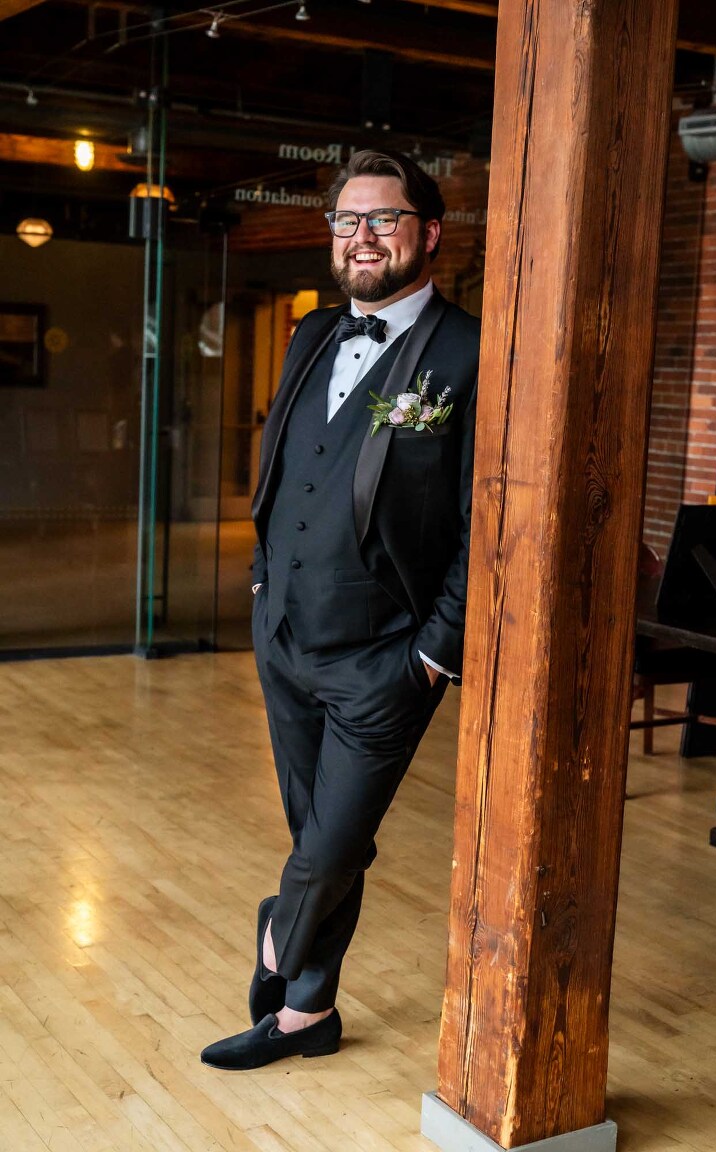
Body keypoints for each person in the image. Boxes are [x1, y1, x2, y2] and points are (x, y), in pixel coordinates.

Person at [201, 149, 480, 1071]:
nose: (361, 237)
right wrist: (258, 589)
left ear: (428, 233)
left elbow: (493, 519)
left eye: (383, 219)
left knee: (332, 841)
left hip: (387, 659)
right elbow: (285, 466)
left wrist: (435, 652)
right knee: (321, 839)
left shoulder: (469, 352)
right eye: (346, 222)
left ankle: (281, 935)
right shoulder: (311, 333)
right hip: (284, 637)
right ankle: (307, 1014)